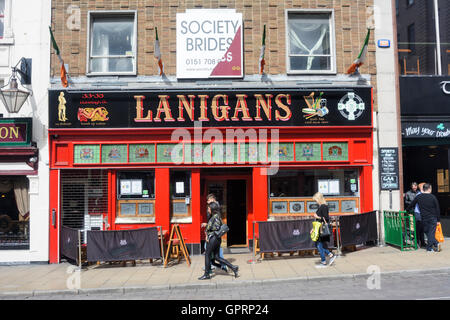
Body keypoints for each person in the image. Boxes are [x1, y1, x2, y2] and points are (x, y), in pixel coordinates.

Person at [198, 201, 239, 280]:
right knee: (217, 257)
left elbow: (216, 227)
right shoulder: (215, 216)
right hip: (216, 239)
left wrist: (208, 228)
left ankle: (206, 274)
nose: (208, 210)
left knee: (207, 255)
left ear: (212, 209)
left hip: (214, 239)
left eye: (209, 208)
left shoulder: (215, 217)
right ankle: (233, 268)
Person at [406, 183, 441, 252]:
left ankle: (436, 244)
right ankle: (429, 248)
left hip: (424, 218)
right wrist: (438, 220)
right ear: (429, 189)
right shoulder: (433, 197)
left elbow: (411, 204)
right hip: (432, 218)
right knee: (431, 233)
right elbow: (437, 209)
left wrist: (407, 210)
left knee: (428, 232)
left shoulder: (418, 197)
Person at [201, 193, 227, 273]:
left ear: (212, 199)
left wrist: (207, 226)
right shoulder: (213, 207)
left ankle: (218, 266)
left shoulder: (215, 207)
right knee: (216, 251)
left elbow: (215, 222)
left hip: (214, 235)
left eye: (208, 200)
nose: (207, 202)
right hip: (214, 234)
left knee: (216, 250)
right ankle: (214, 265)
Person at [312, 192, 336, 267]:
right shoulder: (321, 206)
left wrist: (317, 216)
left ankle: (325, 259)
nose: (315, 202)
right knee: (318, 245)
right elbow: (318, 220)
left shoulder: (324, 206)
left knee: (319, 245)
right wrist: (313, 229)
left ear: (319, 199)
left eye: (316, 200)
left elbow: (326, 218)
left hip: (321, 229)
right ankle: (328, 256)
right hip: (318, 228)